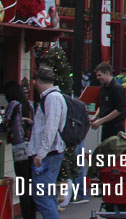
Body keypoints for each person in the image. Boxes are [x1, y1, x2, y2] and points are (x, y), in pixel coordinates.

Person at [26, 66, 66, 219]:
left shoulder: (52, 98)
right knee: (47, 195)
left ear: (37, 81)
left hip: (48, 154)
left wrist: (41, 153)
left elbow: (51, 127)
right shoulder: (53, 97)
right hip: (51, 153)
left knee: (42, 195)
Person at [2, 80, 35, 219]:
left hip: (19, 149)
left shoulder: (13, 105)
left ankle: (26, 214)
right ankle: (31, 214)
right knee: (29, 183)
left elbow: (5, 124)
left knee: (22, 184)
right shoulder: (30, 105)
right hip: (31, 148)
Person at [90, 61, 126, 142]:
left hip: (115, 128)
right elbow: (101, 105)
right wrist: (95, 117)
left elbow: (119, 110)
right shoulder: (103, 88)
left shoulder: (117, 88)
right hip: (105, 127)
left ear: (107, 73)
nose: (97, 78)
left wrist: (101, 120)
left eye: (99, 75)